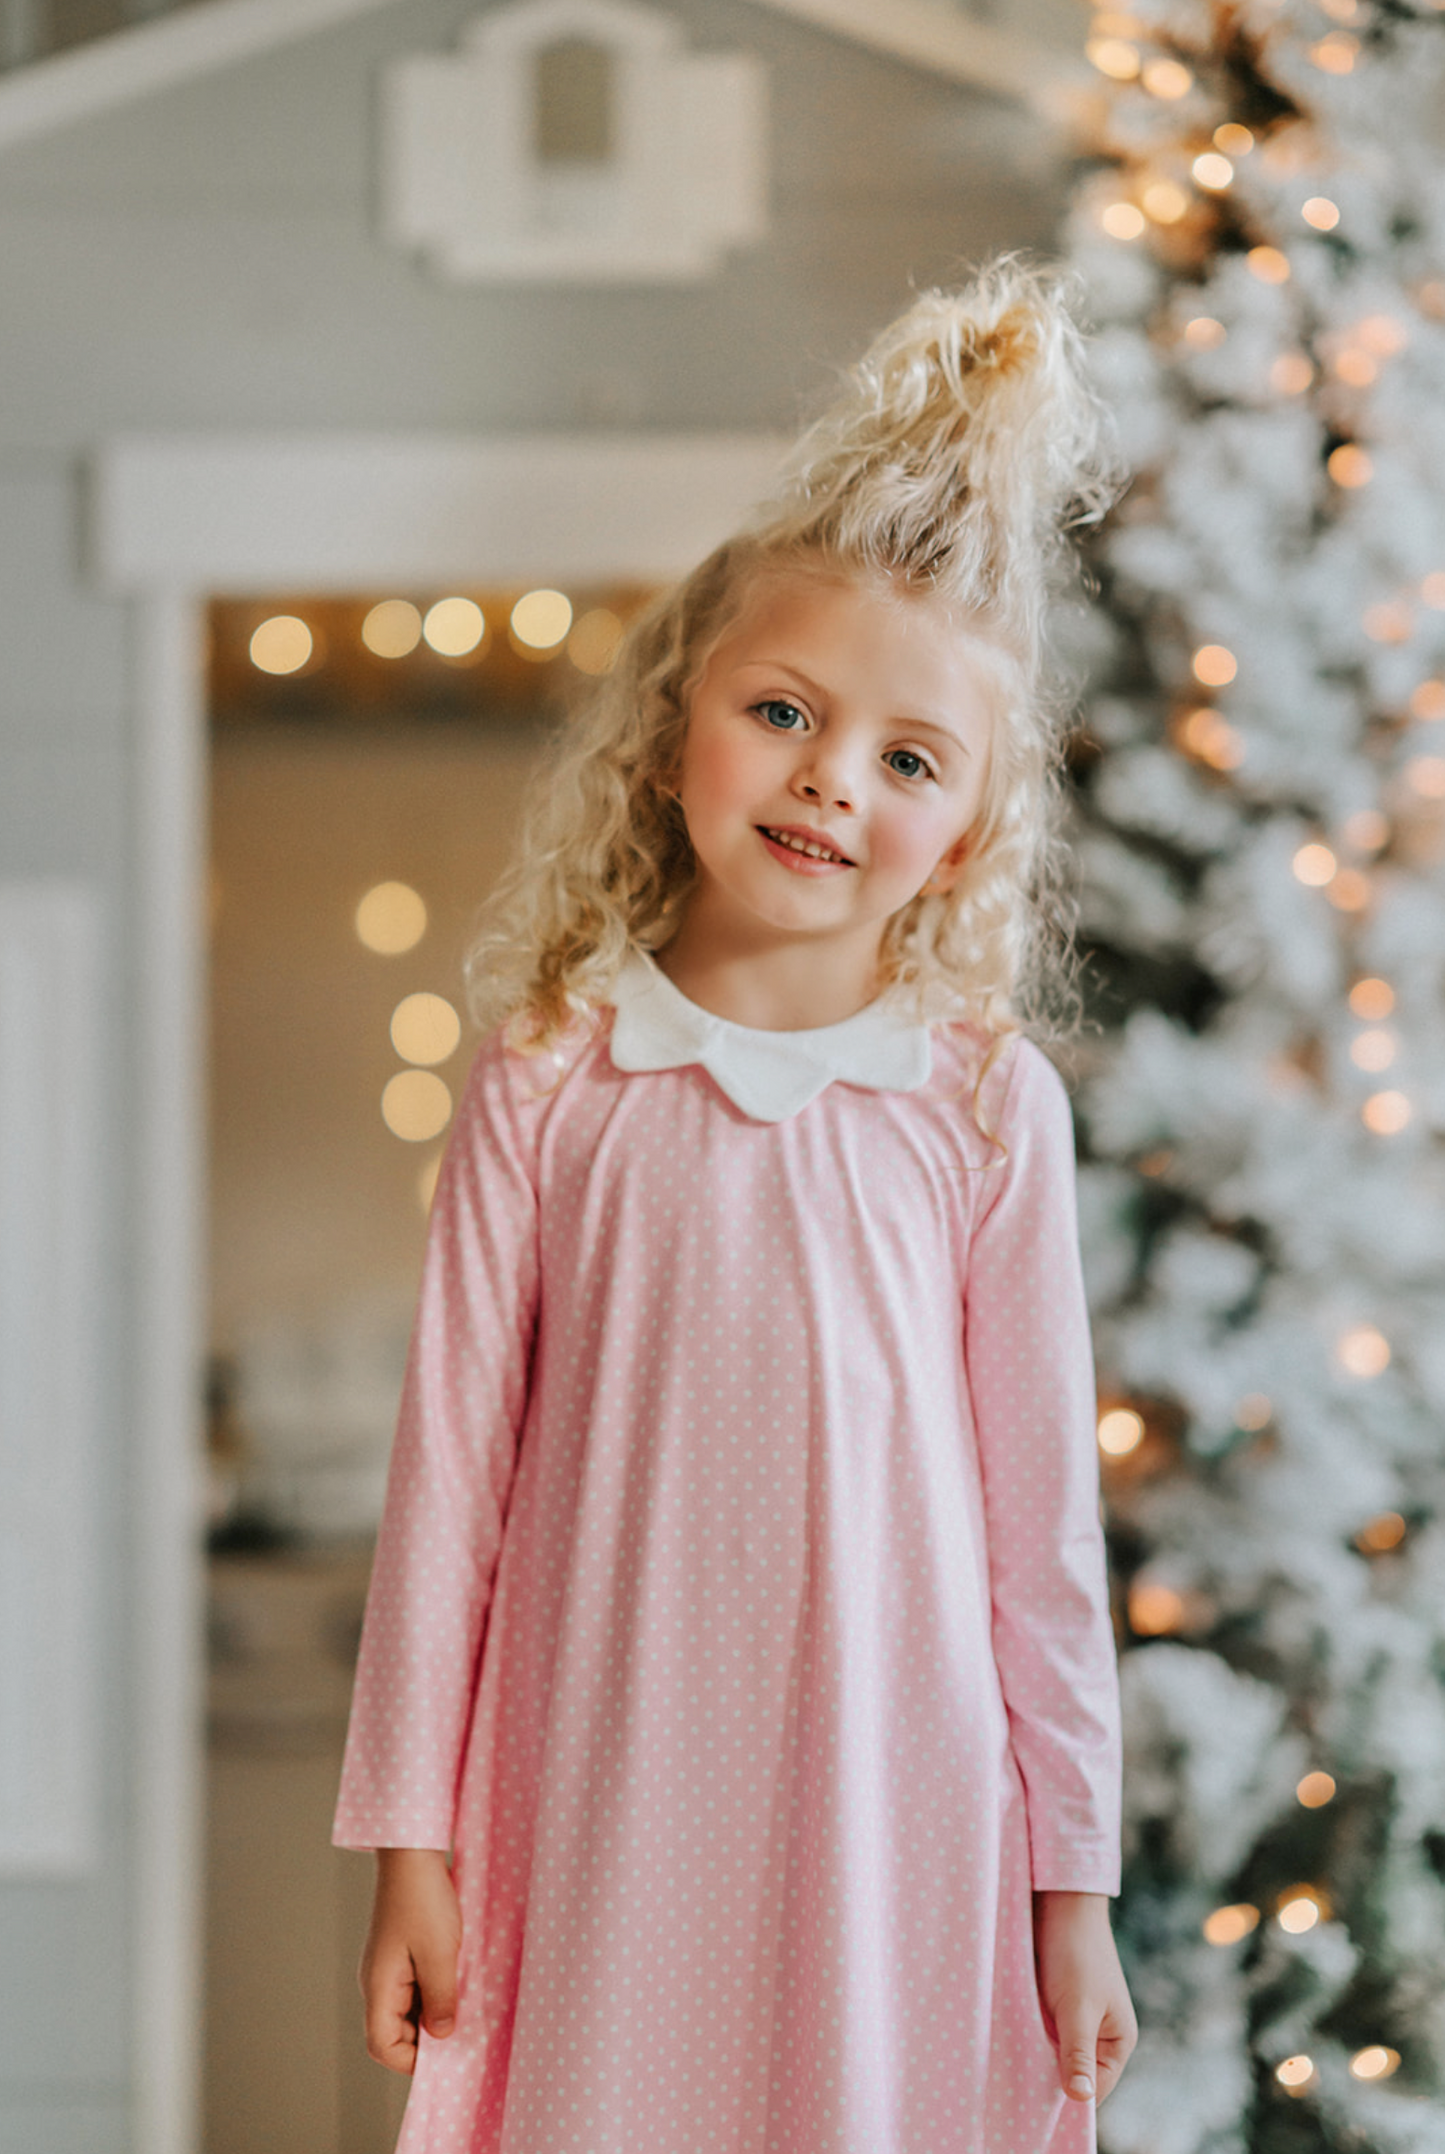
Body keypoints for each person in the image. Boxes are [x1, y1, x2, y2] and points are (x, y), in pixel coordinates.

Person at [333, 255, 1137, 2154]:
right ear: (683, 706)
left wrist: (1072, 1890)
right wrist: (409, 1844)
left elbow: (1045, 1534)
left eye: (908, 758)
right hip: (596, 1778)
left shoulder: (981, 1110)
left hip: (898, 1797)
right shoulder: (553, 1074)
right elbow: (448, 1477)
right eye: (787, 710)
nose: (832, 782)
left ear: (968, 833)